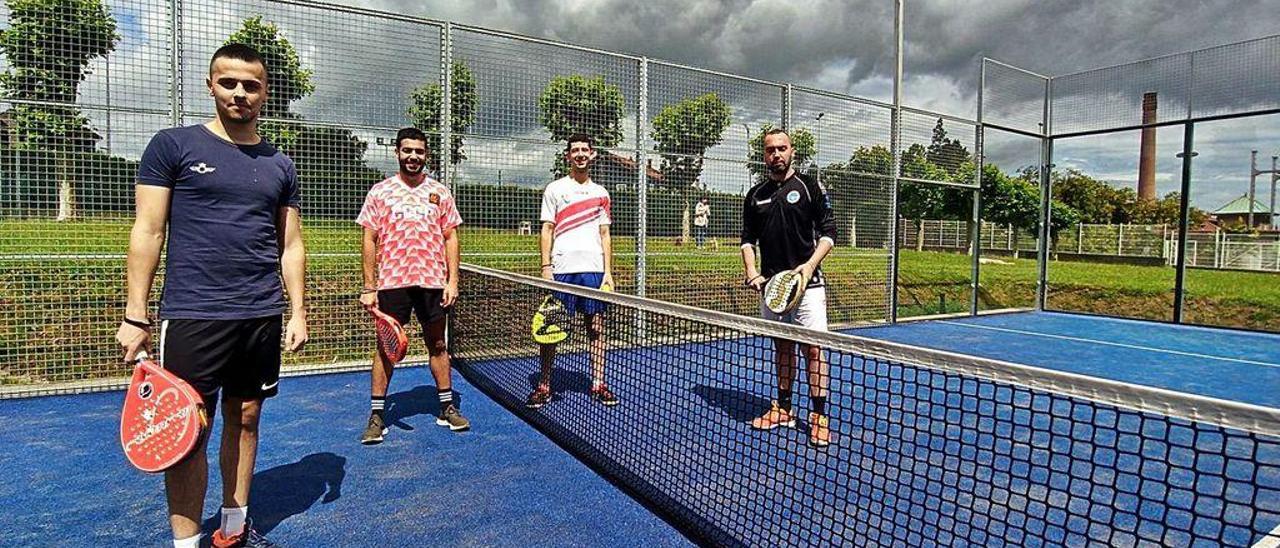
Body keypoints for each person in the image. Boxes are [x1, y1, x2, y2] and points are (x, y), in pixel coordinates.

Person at [115, 43, 307, 548]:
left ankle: (234, 527)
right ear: (211, 84)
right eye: (229, 82)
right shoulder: (172, 146)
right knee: (187, 428)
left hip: (260, 314)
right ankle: (185, 543)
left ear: (265, 92)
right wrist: (136, 314)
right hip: (193, 313)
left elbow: (290, 245)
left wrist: (298, 312)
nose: (240, 93)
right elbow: (148, 231)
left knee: (245, 418)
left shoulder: (280, 164)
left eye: (251, 85)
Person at [356, 127, 468, 444]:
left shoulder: (440, 193)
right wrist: (369, 286)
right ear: (397, 153)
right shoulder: (380, 192)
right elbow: (369, 239)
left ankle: (447, 406)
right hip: (393, 283)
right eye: (408, 151)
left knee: (439, 345)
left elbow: (451, 237)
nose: (413, 157)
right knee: (385, 349)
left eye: (419, 151)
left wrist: (453, 280)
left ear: (426, 155)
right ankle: (377, 415)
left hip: (433, 283)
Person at [740, 128, 836, 448]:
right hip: (772, 288)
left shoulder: (810, 187)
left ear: (792, 151)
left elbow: (828, 234)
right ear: (764, 154)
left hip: (809, 286)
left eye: (782, 148)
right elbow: (746, 242)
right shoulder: (755, 195)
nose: (776, 154)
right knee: (781, 346)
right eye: (770, 150)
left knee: (813, 349)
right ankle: (783, 407)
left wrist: (808, 269)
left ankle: (819, 416)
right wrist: (752, 271)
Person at [526, 134, 619, 409]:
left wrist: (608, 273)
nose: (580, 154)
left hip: (593, 270)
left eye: (584, 150)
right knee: (550, 329)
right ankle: (544, 386)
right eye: (574, 150)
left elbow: (605, 234)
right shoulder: (555, 189)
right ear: (568, 156)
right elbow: (547, 229)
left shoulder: (601, 193)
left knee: (596, 327)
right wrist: (546, 266)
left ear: (592, 155)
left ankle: (598, 383)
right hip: (562, 270)